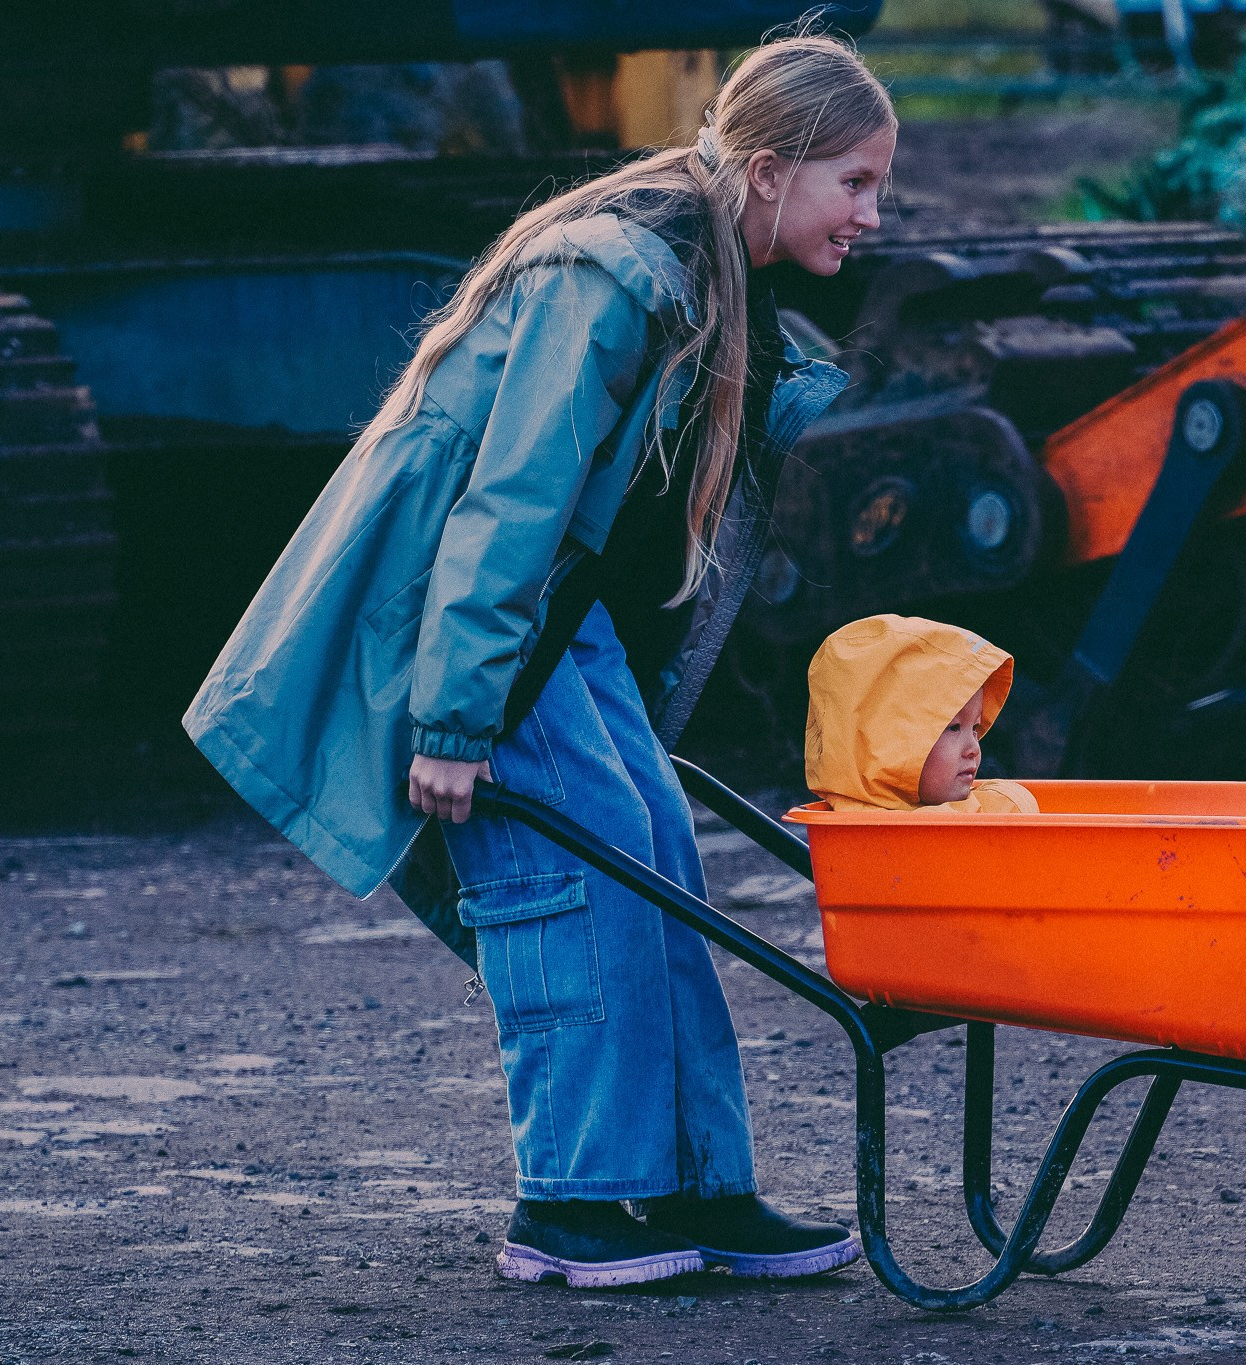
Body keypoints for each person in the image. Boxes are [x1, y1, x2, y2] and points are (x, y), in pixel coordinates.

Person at [184, 33, 895, 1288]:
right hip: (485, 629)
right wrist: (452, 727)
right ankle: (570, 1205)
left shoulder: (717, 272)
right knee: (572, 882)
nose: (872, 215)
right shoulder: (617, 276)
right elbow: (509, 506)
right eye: (857, 182)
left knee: (659, 855)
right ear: (774, 172)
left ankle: (692, 1187)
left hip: (565, 626)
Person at [804, 615, 1040, 813]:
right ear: (888, 740)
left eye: (975, 728)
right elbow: (1008, 807)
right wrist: (1012, 798)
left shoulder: (903, 808)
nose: (974, 749)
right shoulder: (918, 826)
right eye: (954, 727)